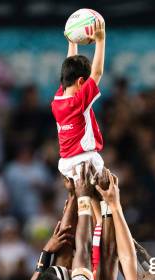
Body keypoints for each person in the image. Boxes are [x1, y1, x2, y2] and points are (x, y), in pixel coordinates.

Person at [52, 18, 106, 178]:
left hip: (66, 163)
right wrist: (100, 40)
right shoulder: (78, 101)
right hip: (86, 161)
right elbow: (97, 73)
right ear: (81, 82)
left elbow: (69, 67)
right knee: (100, 202)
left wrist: (72, 42)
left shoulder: (58, 99)